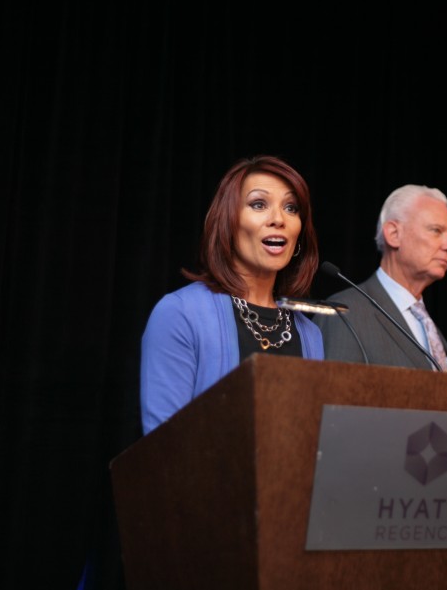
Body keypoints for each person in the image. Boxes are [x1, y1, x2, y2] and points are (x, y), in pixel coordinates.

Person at [139, 155, 324, 435]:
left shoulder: (310, 334)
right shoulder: (180, 314)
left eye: (291, 207)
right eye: (258, 204)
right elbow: (164, 452)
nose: (279, 219)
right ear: (228, 221)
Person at [313, 184, 447, 372]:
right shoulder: (343, 314)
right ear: (393, 234)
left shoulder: (426, 323)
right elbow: (334, 399)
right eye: (436, 230)